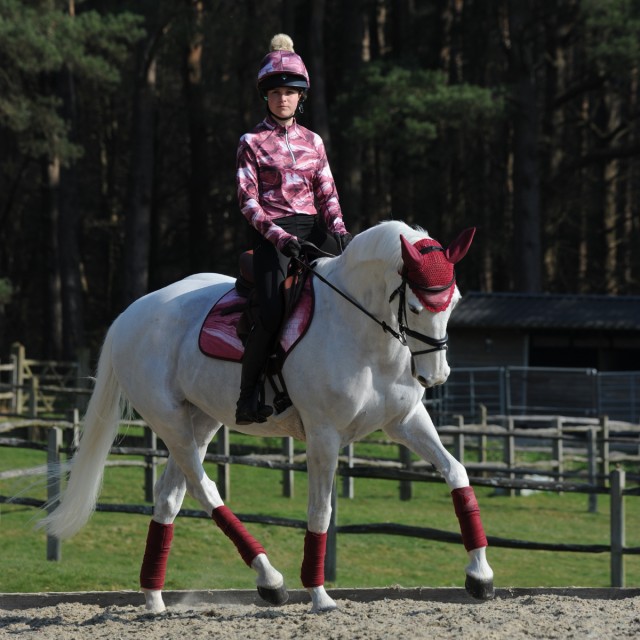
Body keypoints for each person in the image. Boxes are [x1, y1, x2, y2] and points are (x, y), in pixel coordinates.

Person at [235, 33, 352, 425]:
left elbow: (328, 192)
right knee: (271, 309)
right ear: (264, 96)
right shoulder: (251, 142)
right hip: (273, 235)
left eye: (289, 92)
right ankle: (247, 396)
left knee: (354, 288)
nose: (282, 98)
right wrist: (282, 239)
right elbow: (247, 201)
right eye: (275, 92)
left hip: (314, 230)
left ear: (300, 97)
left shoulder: (314, 142)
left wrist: (339, 232)